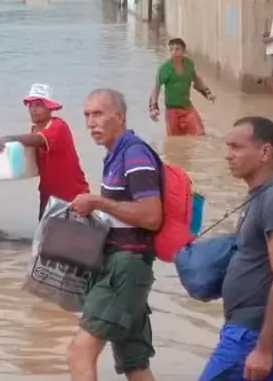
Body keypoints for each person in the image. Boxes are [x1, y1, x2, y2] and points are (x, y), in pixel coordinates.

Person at [199, 116, 273, 381]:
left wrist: (263, 348)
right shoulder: (261, 194)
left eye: (237, 147)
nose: (228, 156)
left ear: (265, 152)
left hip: (251, 335)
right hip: (249, 331)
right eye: (228, 147)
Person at [67, 88, 161, 381]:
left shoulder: (134, 154)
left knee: (79, 352)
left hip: (126, 268)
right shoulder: (115, 154)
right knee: (135, 364)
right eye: (86, 115)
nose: (91, 122)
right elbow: (122, 212)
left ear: (119, 116)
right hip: (126, 266)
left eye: (98, 114)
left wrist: (97, 201)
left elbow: (151, 216)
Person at [0, 83, 90, 219]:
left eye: (38, 105)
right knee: (46, 237)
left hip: (72, 196)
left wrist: (10, 138)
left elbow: (38, 140)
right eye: (30, 105)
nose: (33, 109)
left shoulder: (58, 125)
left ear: (49, 108)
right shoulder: (35, 130)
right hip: (48, 195)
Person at [149, 38, 216, 136]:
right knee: (174, 138)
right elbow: (156, 88)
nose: (174, 52)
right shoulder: (164, 69)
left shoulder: (189, 64)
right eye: (171, 49)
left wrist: (208, 93)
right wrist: (153, 108)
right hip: (171, 109)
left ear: (183, 51)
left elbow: (196, 79)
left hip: (187, 107)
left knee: (200, 133)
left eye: (177, 49)